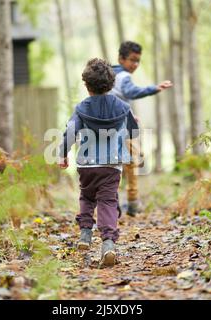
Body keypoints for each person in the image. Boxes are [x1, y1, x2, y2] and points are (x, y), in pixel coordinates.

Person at [58, 58, 139, 267]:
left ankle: (85, 234)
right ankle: (108, 244)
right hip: (112, 165)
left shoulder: (81, 108)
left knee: (86, 196)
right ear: (111, 84)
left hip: (86, 164)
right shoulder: (122, 107)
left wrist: (62, 153)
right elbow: (133, 131)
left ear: (87, 85)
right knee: (108, 201)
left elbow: (70, 132)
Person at [111, 41, 172, 216]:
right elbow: (131, 92)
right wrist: (155, 88)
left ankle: (112, 203)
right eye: (132, 60)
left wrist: (129, 113)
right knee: (131, 162)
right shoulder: (123, 77)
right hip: (122, 129)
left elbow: (115, 100)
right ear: (121, 59)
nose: (135, 65)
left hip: (109, 128)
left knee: (111, 166)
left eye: (138, 61)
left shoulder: (107, 75)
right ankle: (132, 203)